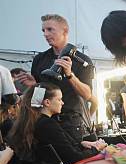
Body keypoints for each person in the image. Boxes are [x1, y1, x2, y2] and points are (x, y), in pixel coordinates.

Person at [8, 83, 105, 164]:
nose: (62, 103)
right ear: (47, 102)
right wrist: (96, 149)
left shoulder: (35, 122)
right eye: (59, 99)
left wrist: (82, 143)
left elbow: (62, 146)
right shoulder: (47, 125)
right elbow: (75, 158)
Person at [14, 14, 94, 142]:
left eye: (50, 29)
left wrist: (70, 75)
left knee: (72, 160)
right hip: (44, 122)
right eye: (43, 30)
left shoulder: (82, 61)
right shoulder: (40, 59)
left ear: (65, 31)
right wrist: (35, 85)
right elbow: (37, 100)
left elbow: (87, 94)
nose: (45, 34)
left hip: (70, 122)